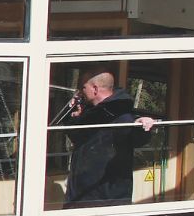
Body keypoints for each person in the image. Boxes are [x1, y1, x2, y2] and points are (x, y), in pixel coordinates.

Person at [56, 71, 157, 206]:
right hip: (81, 193)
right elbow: (76, 137)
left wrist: (143, 124)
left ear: (95, 89)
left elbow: (137, 137)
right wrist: (72, 114)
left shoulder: (121, 115)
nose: (80, 92)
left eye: (83, 88)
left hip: (106, 197)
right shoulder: (90, 112)